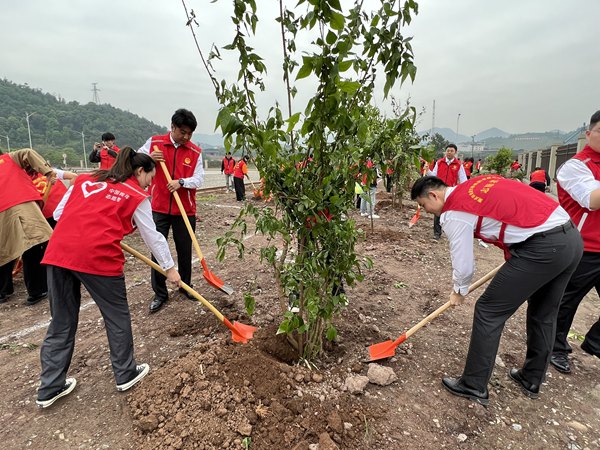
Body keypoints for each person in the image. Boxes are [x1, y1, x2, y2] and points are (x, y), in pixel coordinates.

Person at [411, 175, 582, 405]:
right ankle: (531, 378)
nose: (427, 211)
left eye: (424, 205)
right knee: (544, 312)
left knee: (488, 310)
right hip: (569, 237)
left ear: (434, 195)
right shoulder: (474, 184)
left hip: (542, 246)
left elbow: (464, 264)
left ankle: (473, 384)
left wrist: (459, 291)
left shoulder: (453, 212)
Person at [36, 147, 181, 408]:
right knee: (116, 315)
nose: (149, 184)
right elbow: (153, 236)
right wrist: (170, 269)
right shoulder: (136, 194)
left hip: (59, 252)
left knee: (61, 320)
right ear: (139, 171)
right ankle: (126, 374)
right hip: (97, 256)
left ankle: (50, 387)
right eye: (149, 178)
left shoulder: (87, 179)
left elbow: (58, 215)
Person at [137, 108, 204, 313]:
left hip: (185, 210)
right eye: (182, 132)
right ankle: (160, 293)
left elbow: (199, 179)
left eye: (189, 134)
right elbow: (136, 162)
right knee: (158, 250)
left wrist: (181, 182)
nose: (186, 137)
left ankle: (186, 287)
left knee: (185, 251)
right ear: (172, 127)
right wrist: (150, 157)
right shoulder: (155, 143)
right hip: (158, 208)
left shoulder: (194, 152)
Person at [550, 110, 600, 374]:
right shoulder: (575, 166)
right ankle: (555, 348)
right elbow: (591, 200)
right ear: (588, 134)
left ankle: (594, 342)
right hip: (583, 247)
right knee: (566, 302)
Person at [0, 148, 54, 305]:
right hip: (22, 204)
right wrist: (47, 171)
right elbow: (28, 153)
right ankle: (37, 291)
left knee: (5, 252)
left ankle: (3, 291)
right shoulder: (10, 158)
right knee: (33, 245)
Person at [424, 144, 467, 239]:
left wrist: (462, 191)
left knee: (449, 212)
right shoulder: (440, 162)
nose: (449, 152)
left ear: (455, 152)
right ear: (445, 151)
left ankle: (449, 230)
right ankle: (437, 233)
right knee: (437, 211)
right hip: (439, 190)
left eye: (451, 151)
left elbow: (463, 179)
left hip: (451, 191)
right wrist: (427, 171)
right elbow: (434, 175)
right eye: (448, 150)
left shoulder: (458, 165)